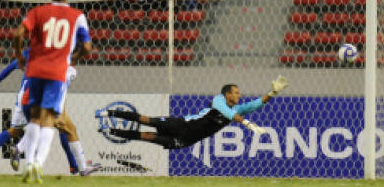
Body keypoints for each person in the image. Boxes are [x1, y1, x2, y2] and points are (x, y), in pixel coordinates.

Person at [13, 0, 92, 183]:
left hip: (35, 70)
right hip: (57, 73)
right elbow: (88, 47)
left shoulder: (38, 12)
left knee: (34, 118)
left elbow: (18, 33)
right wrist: (75, 57)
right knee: (50, 119)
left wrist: (19, 55)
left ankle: (29, 161)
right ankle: (39, 162)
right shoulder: (77, 16)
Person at [0, 48, 101, 176]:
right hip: (41, 95)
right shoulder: (62, 63)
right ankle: (75, 166)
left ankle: (75, 165)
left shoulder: (31, 51)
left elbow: (11, 66)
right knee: (58, 125)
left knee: (18, 130)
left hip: (25, 94)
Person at [96, 76, 288, 149]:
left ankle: (110, 132)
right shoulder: (218, 101)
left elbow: (256, 104)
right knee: (145, 119)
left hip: (188, 139)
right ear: (227, 93)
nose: (240, 95)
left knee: (146, 136)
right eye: (236, 92)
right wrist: (247, 124)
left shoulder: (237, 108)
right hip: (181, 124)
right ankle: (109, 113)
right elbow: (229, 115)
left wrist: (272, 93)